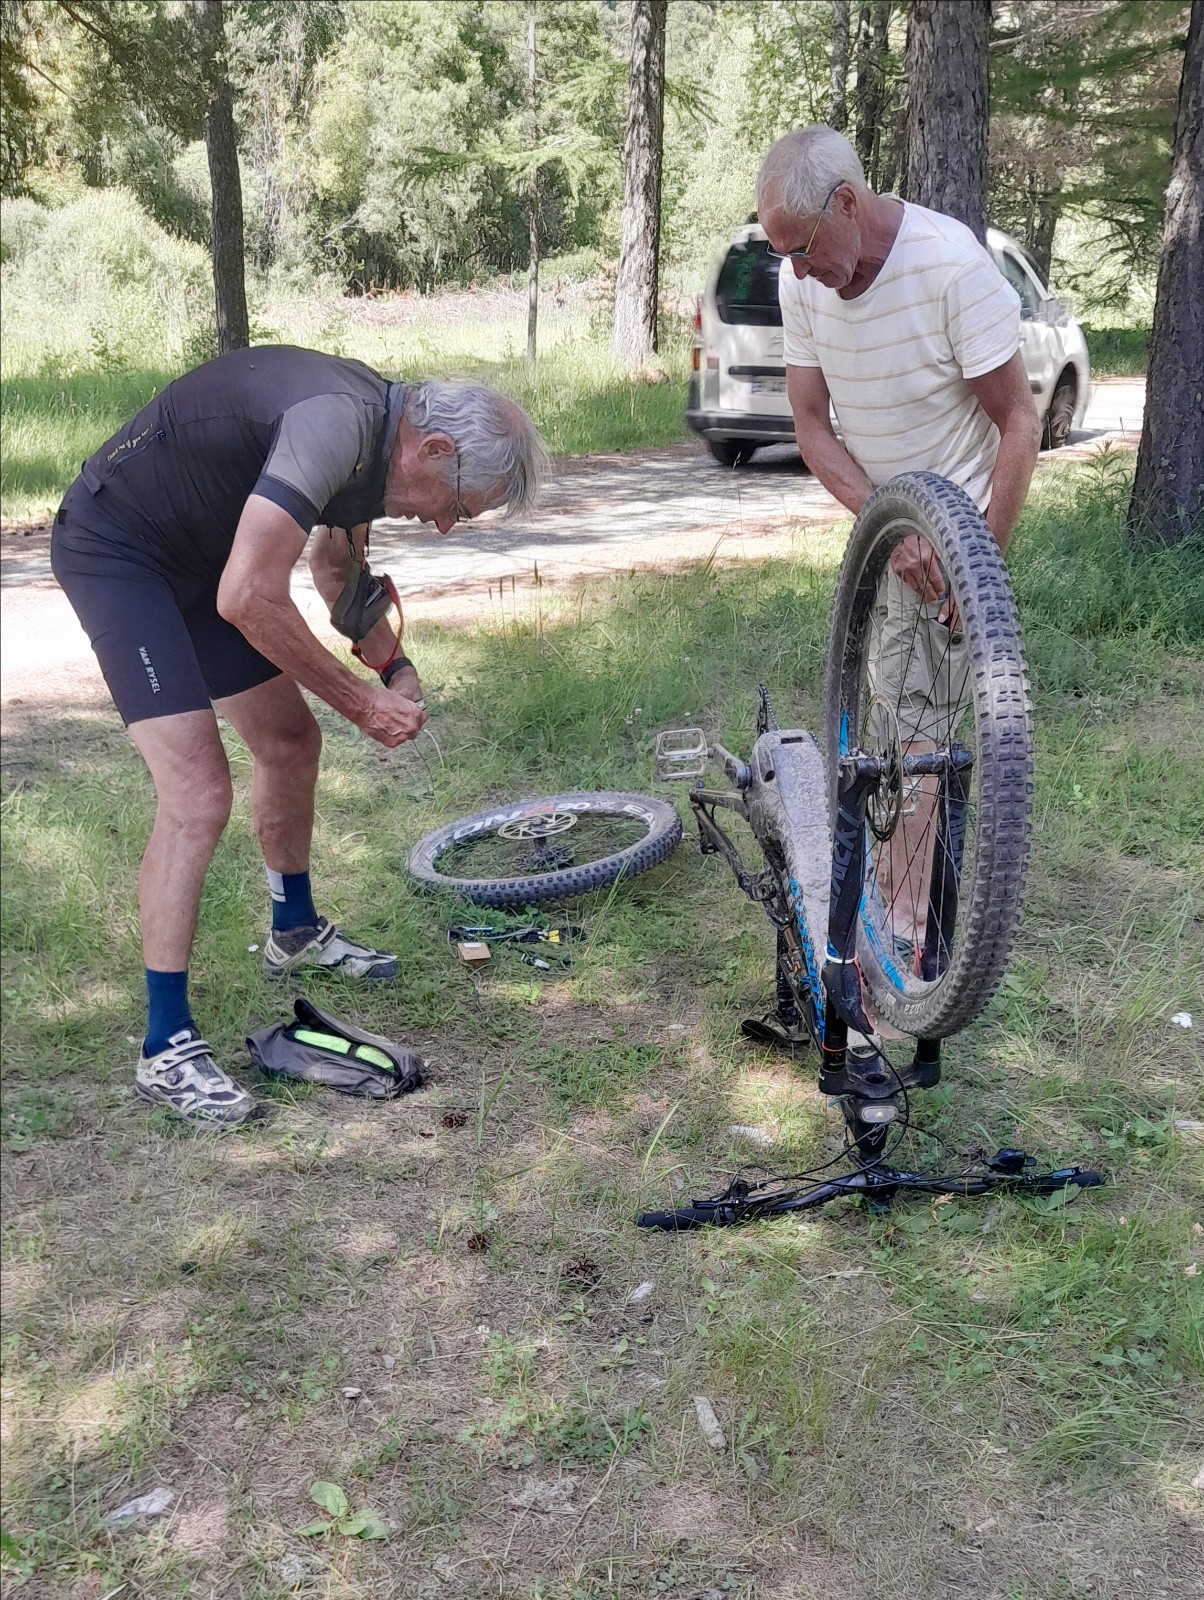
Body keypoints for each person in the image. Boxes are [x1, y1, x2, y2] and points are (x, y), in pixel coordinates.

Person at [51, 344, 547, 1127]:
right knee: (198, 794)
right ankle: (165, 1044)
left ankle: (295, 929)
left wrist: (395, 670)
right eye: (460, 503)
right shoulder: (335, 425)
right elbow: (249, 595)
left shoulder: (381, 440)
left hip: (204, 564)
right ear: (436, 449)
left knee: (288, 741)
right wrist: (360, 705)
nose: (446, 524)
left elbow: (337, 576)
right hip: (121, 550)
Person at [756, 126, 1042, 961]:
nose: (800, 272)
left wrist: (970, 565)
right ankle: (902, 892)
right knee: (894, 714)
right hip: (888, 528)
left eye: (804, 250)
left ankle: (908, 935)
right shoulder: (801, 280)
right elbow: (811, 429)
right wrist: (886, 517)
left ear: (847, 203)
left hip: (959, 533)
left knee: (919, 726)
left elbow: (1019, 424)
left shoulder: (951, 268)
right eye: (787, 257)